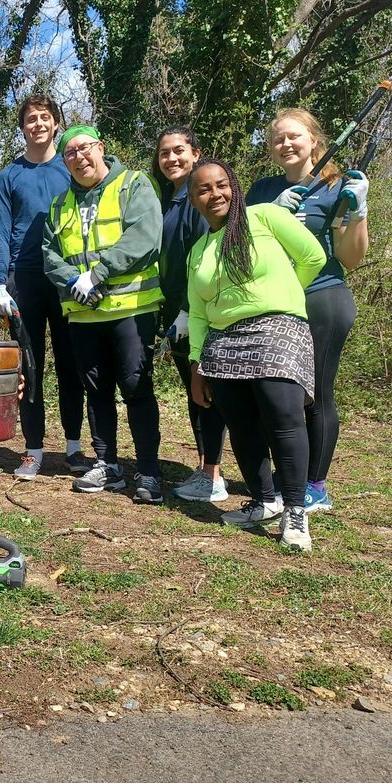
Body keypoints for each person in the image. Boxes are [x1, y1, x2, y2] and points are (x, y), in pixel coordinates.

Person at [186, 159, 326, 551]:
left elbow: (312, 257)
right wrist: (198, 363)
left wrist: (282, 297)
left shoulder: (264, 217)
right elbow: (198, 311)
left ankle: (295, 510)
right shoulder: (198, 249)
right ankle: (264, 501)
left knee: (282, 417)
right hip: (222, 339)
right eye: (204, 189)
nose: (215, 195)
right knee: (242, 424)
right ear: (193, 198)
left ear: (234, 186)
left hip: (276, 329)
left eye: (221, 185)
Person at [246, 109, 370, 514]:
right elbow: (241, 244)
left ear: (314, 140)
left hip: (323, 297)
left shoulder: (337, 188)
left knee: (314, 393)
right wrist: (270, 213)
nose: (286, 144)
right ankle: (290, 476)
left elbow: (350, 258)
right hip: (275, 301)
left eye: (294, 136)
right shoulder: (262, 190)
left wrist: (359, 212)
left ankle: (314, 485)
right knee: (279, 396)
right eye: (278, 139)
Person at [41, 125, 165, 501]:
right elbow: (48, 254)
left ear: (101, 147)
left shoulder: (133, 184)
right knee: (96, 393)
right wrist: (73, 280)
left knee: (135, 389)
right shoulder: (60, 203)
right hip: (84, 314)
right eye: (70, 154)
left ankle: (148, 471)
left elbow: (144, 239)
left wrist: (98, 273)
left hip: (131, 309)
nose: (79, 158)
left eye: (84, 148)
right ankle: (107, 465)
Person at [0, 94, 96, 481]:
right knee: (30, 367)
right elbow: (0, 232)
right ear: (23, 128)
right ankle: (32, 449)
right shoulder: (10, 176)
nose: (37, 123)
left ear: (55, 124)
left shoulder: (71, 167)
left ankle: (73, 447)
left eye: (44, 117)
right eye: (30, 118)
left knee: (72, 365)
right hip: (25, 279)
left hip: (68, 280)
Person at [151, 127, 229, 504]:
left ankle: (212, 475)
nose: (171, 159)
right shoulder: (172, 199)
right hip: (177, 313)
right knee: (194, 390)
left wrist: (185, 310)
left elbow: (204, 262)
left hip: (198, 313)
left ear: (196, 153)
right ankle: (204, 468)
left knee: (206, 391)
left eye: (178, 150)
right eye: (164, 153)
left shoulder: (199, 200)